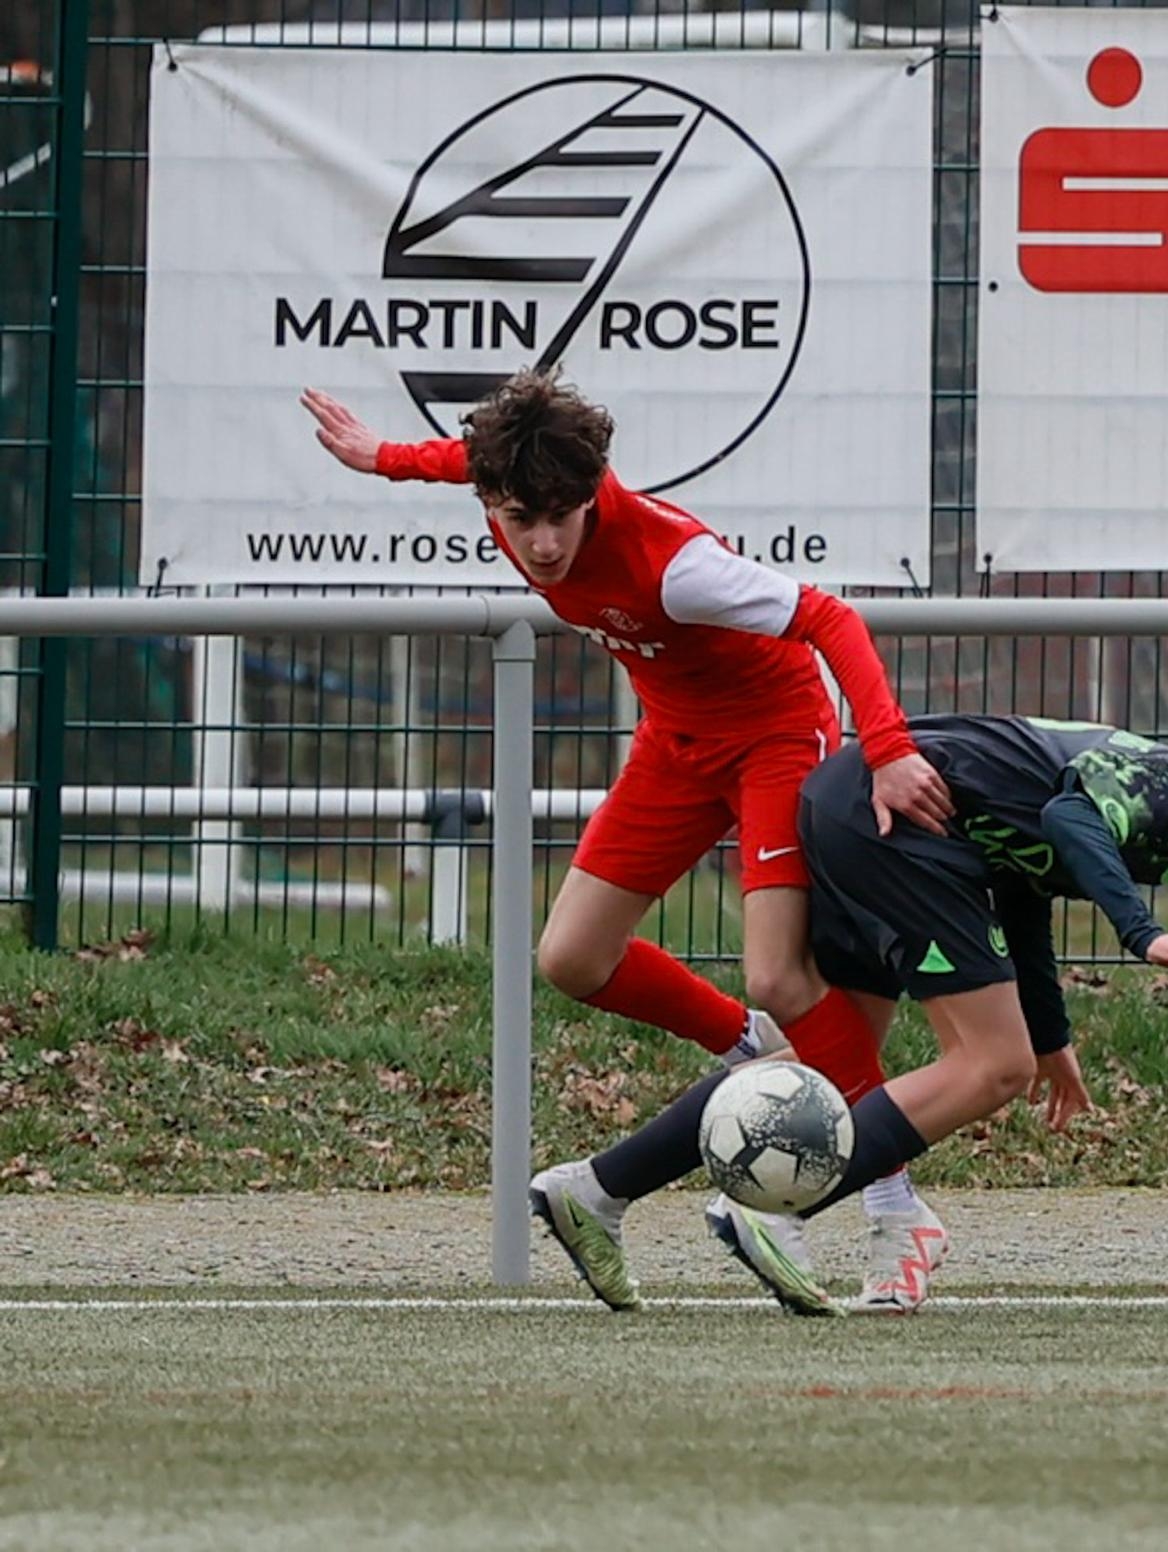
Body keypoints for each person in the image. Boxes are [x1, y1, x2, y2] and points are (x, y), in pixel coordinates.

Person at [300, 372, 956, 1303]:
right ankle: (756, 1053)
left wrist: (886, 749)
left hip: (773, 734)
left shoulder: (674, 563)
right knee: (570, 957)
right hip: (674, 742)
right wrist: (384, 459)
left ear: (593, 492)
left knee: (776, 970)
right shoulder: (510, 493)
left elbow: (829, 617)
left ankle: (897, 1209)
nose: (542, 542)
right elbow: (467, 462)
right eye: (521, 518)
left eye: (562, 516)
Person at [530, 714, 1168, 1315]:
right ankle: (776, 1211)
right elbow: (1068, 819)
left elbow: (1023, 882)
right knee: (991, 1066)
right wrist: (1144, 935)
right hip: (897, 831)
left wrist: (1053, 1037)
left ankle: (598, 1189)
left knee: (824, 1066)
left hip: (854, 808)